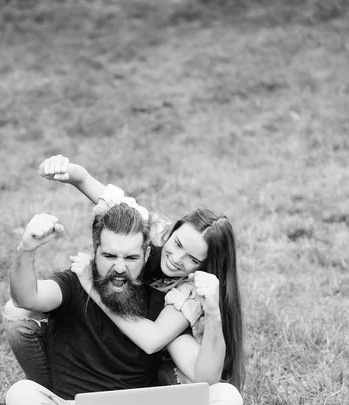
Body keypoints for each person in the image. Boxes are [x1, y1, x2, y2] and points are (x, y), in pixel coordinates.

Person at [4, 203, 243, 405]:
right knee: (21, 395)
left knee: (228, 398)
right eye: (109, 256)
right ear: (95, 251)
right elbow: (26, 298)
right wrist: (26, 250)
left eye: (130, 258)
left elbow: (205, 377)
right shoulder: (73, 283)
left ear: (147, 253)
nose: (119, 267)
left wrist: (214, 312)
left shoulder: (164, 304)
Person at [39, 155, 245, 391]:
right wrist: (68, 171)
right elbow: (106, 196)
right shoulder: (156, 233)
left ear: (205, 266)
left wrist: (93, 287)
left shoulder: (192, 290)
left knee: (208, 391)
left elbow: (154, 340)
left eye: (193, 258)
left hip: (170, 354)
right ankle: (49, 390)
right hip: (131, 331)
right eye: (177, 244)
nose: (176, 259)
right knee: (24, 315)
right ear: (172, 231)